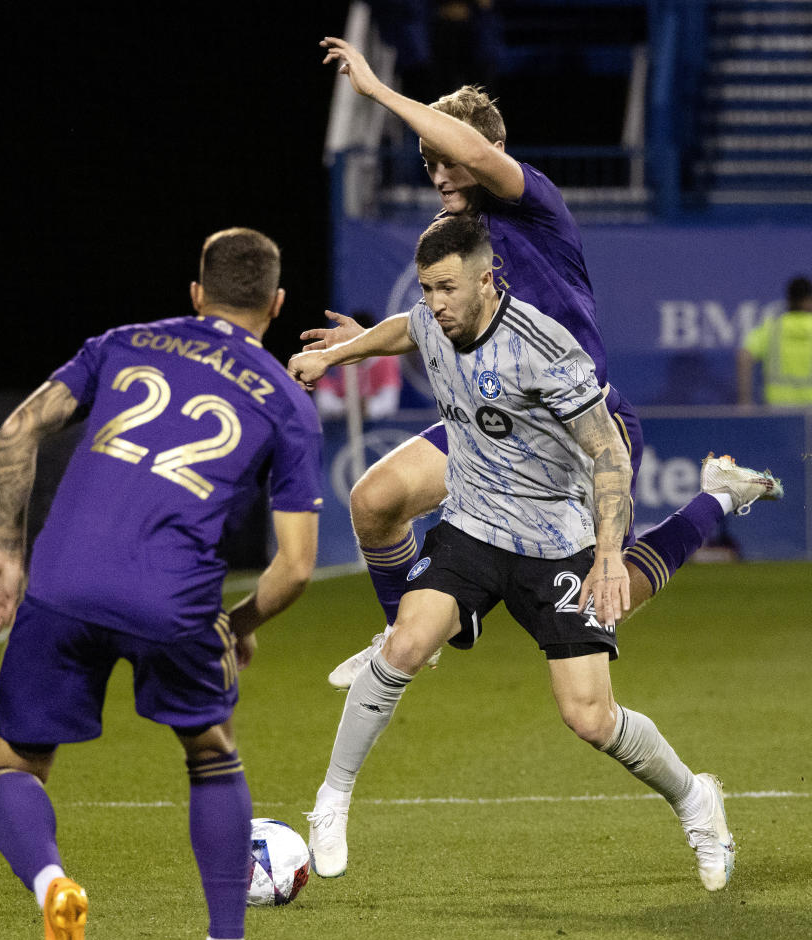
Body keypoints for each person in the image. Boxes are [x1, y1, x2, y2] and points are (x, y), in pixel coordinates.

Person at [309, 36, 783, 690]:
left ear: (489, 154)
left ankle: (716, 498)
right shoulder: (462, 244)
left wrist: (380, 93)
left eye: (448, 157)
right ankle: (404, 636)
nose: (439, 173)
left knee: (603, 599)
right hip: (494, 423)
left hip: (581, 428)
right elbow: (421, 323)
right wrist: (349, 347)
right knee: (374, 499)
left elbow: (473, 151)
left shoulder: (534, 202)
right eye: (428, 161)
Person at [290, 215, 736, 894]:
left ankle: (694, 799)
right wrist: (338, 354)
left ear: (486, 278)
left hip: (554, 543)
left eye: (447, 287)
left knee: (589, 716)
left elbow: (608, 449)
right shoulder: (433, 319)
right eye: (427, 287)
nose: (436, 302)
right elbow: (405, 327)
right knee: (405, 643)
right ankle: (332, 797)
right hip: (472, 528)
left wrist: (609, 554)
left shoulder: (542, 348)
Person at [0, 228, 323, 940]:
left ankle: (52, 881)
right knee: (209, 748)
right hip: (172, 598)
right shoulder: (288, 401)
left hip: (63, 578)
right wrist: (236, 625)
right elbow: (295, 566)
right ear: (277, 305)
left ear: (197, 292)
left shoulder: (125, 342)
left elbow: (19, 428)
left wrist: (7, 551)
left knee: (12, 762)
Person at [738, 276, 812, 406]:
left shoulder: (772, 328)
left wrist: (744, 402)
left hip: (778, 410)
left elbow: (744, 356)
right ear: (811, 300)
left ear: (789, 299)